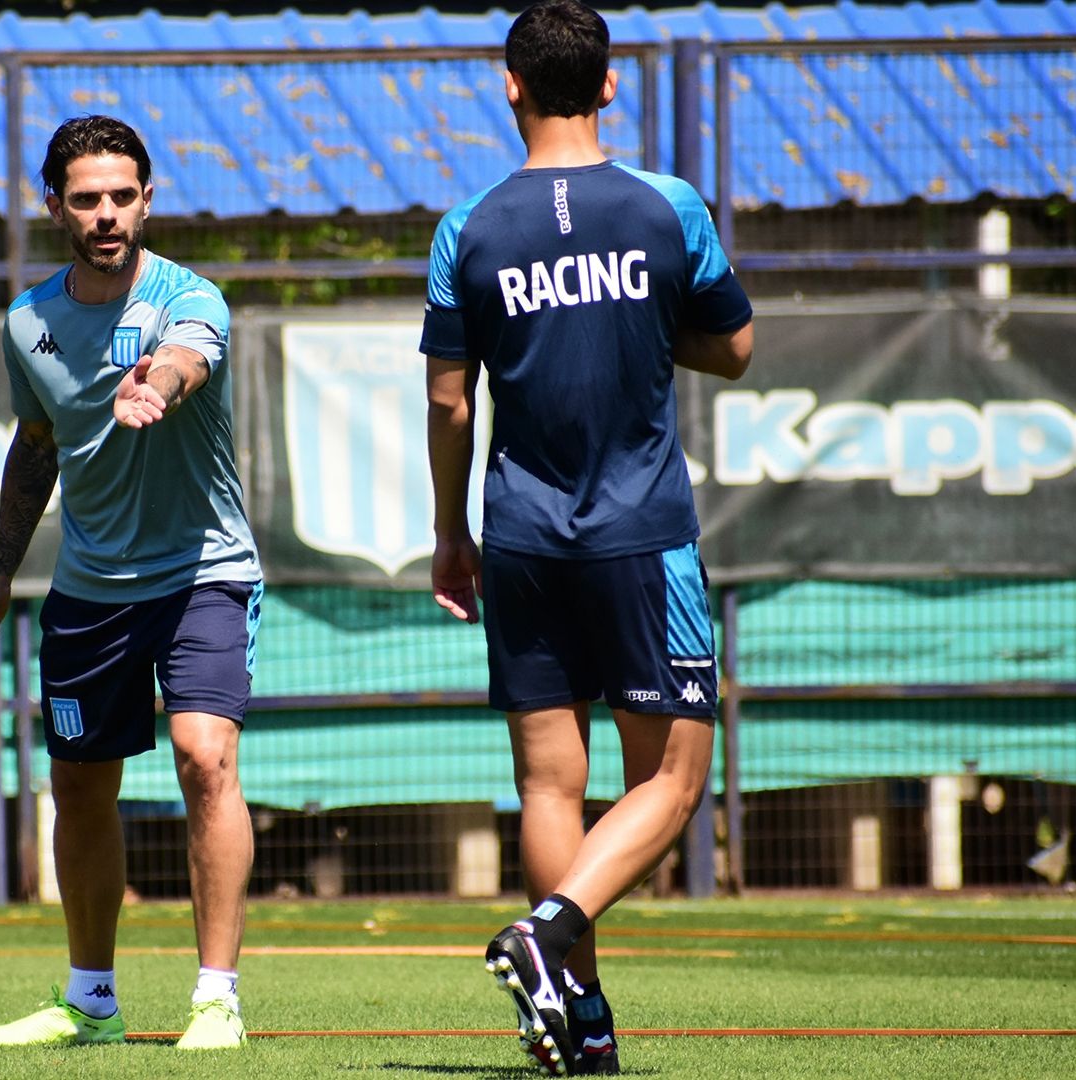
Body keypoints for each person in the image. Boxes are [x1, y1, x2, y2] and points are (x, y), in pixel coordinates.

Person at [419, 2, 754, 1074]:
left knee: (550, 786)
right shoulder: (669, 206)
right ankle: (551, 935)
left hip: (518, 534)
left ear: (507, 84)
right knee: (672, 782)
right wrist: (647, 327)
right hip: (641, 535)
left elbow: (448, 400)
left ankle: (582, 1015)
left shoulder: (466, 226)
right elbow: (737, 348)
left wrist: (449, 530)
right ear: (611, 85)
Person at [0, 114, 262, 1051]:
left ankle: (216, 1001)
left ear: (147, 199)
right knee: (81, 787)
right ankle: (90, 1002)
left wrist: (155, 386)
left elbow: (189, 356)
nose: (106, 215)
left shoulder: (189, 297)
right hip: (89, 588)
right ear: (56, 207)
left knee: (206, 756)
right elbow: (36, 447)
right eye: (85, 199)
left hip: (202, 570)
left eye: (122, 197)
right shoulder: (28, 323)